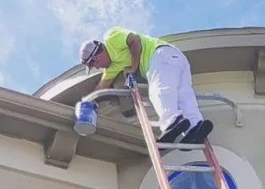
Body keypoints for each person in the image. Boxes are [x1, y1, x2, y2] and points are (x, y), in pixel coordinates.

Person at [79, 28, 213, 144]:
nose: (97, 67)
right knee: (183, 95)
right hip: (177, 57)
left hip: (160, 56)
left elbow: (135, 41)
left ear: (96, 55)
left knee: (158, 92)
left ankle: (172, 122)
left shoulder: (111, 37)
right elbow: (102, 86)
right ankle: (195, 126)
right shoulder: (113, 67)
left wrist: (133, 68)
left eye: (93, 64)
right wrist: (85, 103)